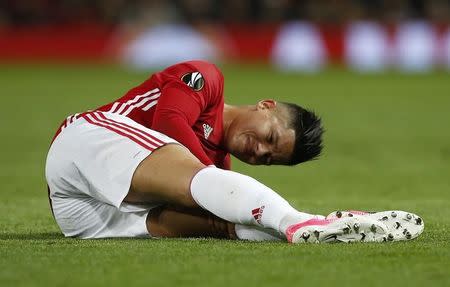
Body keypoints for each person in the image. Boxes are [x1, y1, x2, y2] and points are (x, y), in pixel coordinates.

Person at [45, 61, 423, 242]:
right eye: (270, 138)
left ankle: (322, 233)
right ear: (265, 105)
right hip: (81, 143)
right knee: (207, 189)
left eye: (269, 159)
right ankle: (299, 220)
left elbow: (202, 199)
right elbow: (169, 122)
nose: (259, 152)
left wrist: (227, 207)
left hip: (87, 216)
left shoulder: (217, 168)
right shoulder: (206, 79)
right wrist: (220, 184)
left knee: (214, 226)